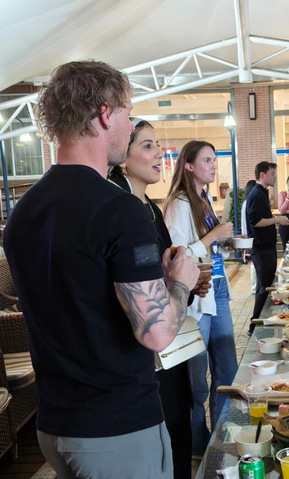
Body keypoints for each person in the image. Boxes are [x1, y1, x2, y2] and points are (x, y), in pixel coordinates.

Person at [3, 60, 199, 479]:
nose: (129, 128)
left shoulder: (23, 212)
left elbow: (80, 296)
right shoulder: (119, 209)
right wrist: (181, 284)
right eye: (129, 114)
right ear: (106, 113)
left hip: (54, 426)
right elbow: (157, 333)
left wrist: (158, 280)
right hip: (117, 428)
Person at [108, 120, 210, 478]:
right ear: (123, 157)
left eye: (158, 145)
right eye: (147, 145)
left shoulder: (149, 208)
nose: (159, 153)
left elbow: (162, 271)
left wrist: (187, 283)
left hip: (170, 342)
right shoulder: (120, 209)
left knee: (179, 420)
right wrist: (177, 283)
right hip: (144, 347)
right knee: (163, 432)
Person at [163, 140, 238, 457]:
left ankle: (223, 434)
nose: (213, 165)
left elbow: (207, 247)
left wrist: (224, 242)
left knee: (227, 366)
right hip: (197, 294)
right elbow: (177, 255)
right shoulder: (179, 203)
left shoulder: (203, 199)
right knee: (196, 380)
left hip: (216, 287)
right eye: (207, 160)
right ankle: (196, 441)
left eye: (214, 159)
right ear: (189, 166)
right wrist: (212, 237)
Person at [246, 161, 289, 335]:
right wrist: (277, 219)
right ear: (262, 175)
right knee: (263, 287)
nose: (275, 177)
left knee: (266, 285)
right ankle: (254, 325)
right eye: (272, 173)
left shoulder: (262, 193)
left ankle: (261, 323)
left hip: (267, 247)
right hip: (261, 248)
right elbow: (255, 221)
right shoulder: (257, 193)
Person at [241, 179, 258, 293]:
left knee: (255, 262)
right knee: (255, 262)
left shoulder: (245, 202)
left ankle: (254, 287)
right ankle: (254, 287)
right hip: (251, 236)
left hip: (248, 235)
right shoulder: (249, 203)